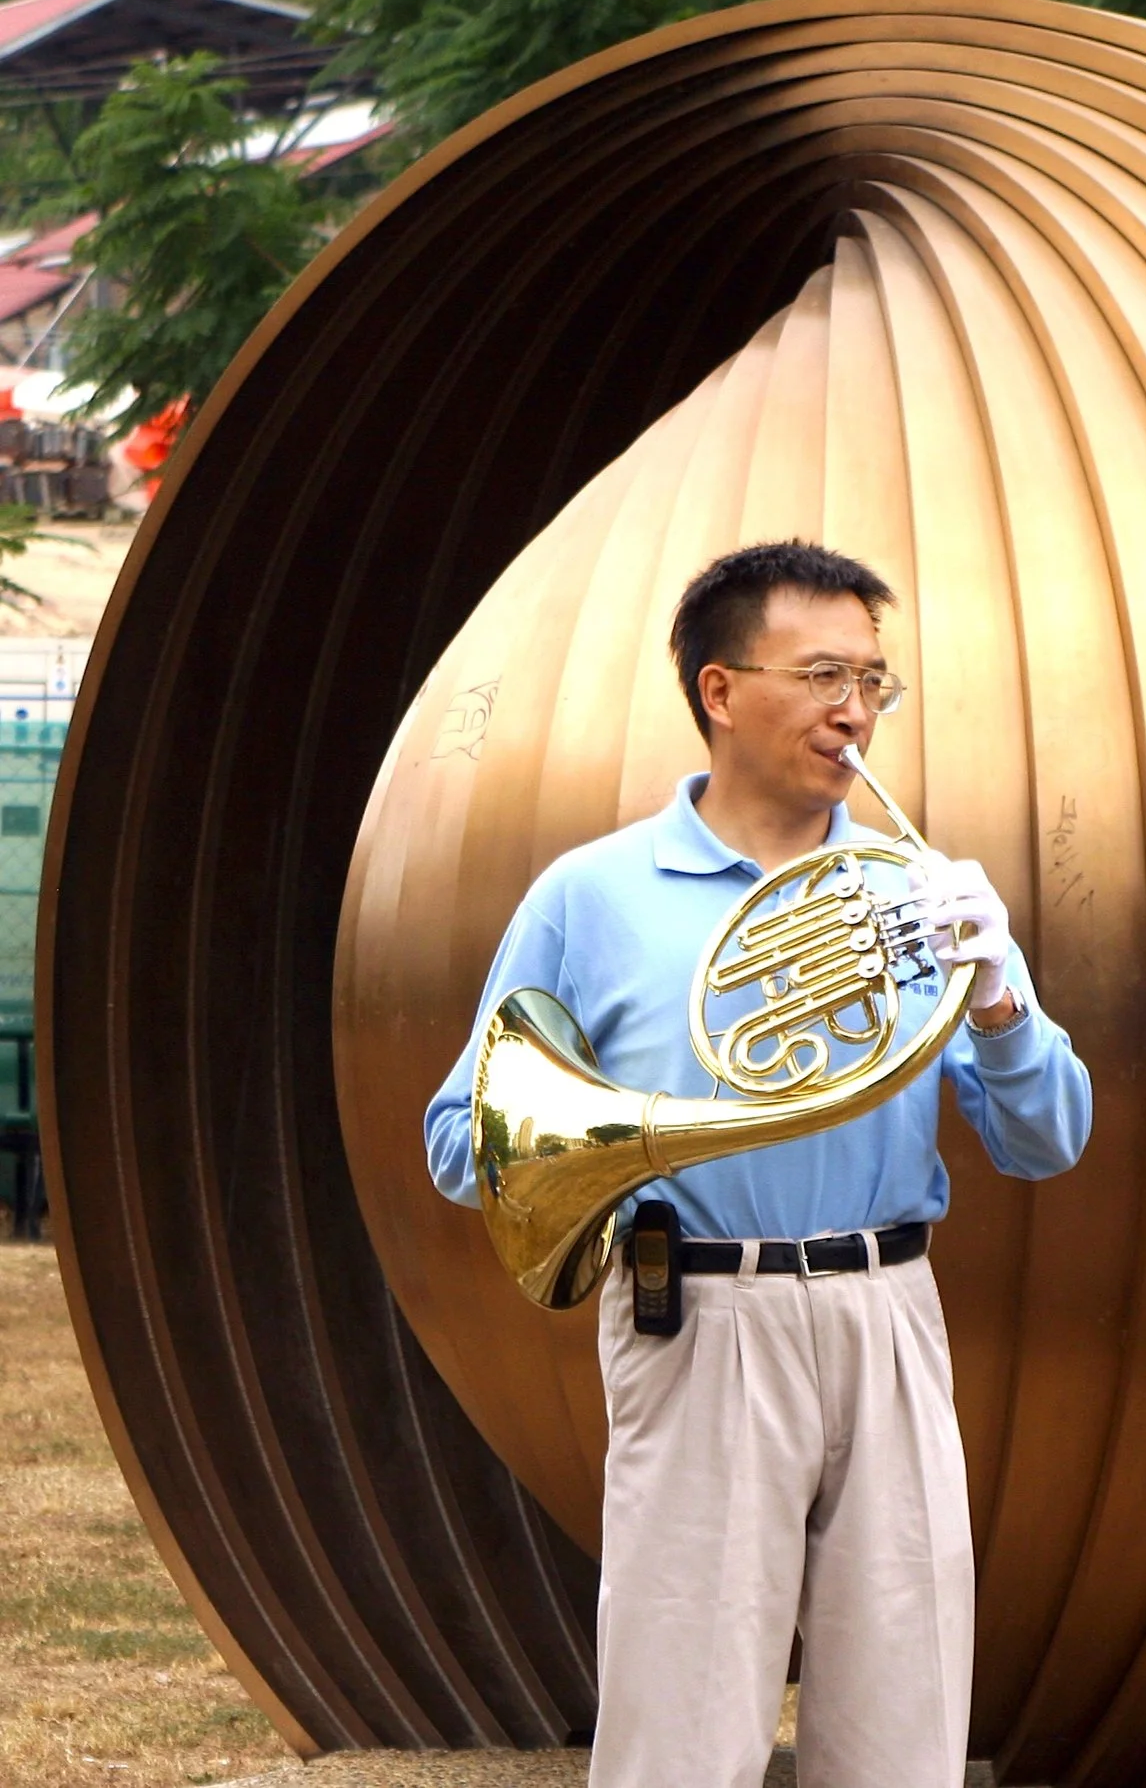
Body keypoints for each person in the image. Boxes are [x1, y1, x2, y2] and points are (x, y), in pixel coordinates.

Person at [423, 540, 1092, 1788]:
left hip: (889, 1311)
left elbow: (1047, 1137)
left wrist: (999, 997)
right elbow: (465, 1139)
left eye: (874, 681)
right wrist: (618, 1144)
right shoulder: (591, 896)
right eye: (823, 675)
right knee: (682, 1728)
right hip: (697, 1316)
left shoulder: (911, 892)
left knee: (905, 1718)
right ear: (720, 691)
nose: (855, 710)